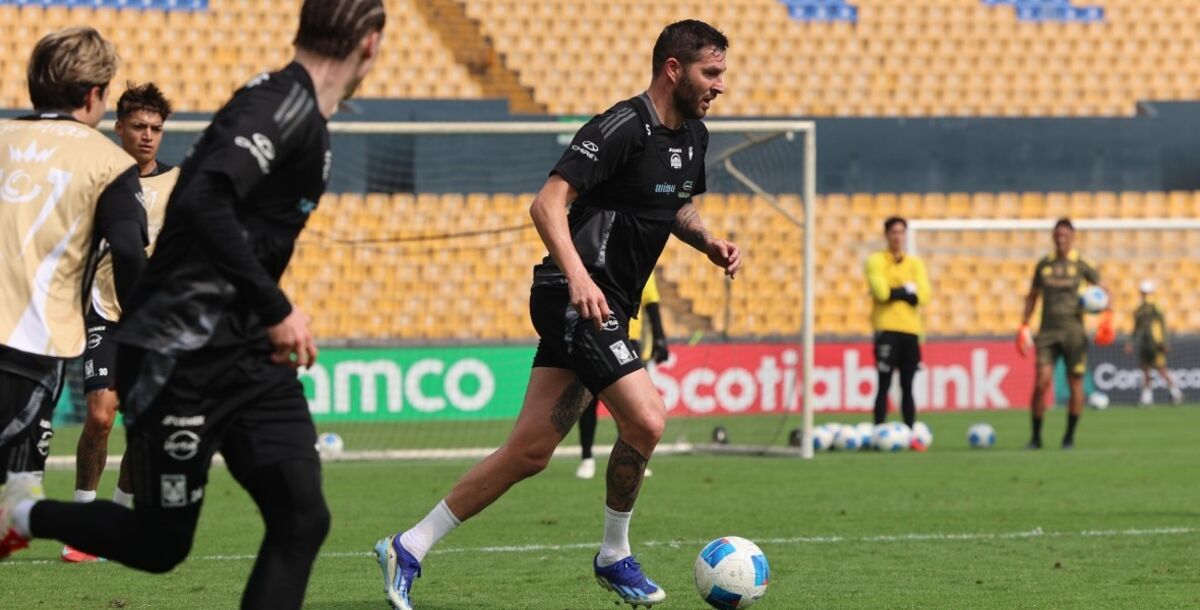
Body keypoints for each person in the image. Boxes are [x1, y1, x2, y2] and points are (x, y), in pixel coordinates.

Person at [0, 3, 385, 609]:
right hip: (183, 351)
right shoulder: (279, 106)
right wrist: (277, 305)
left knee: (302, 518)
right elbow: (205, 199)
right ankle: (24, 512)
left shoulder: (300, 109)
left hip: (246, 351)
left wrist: (262, 314)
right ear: (370, 45)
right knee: (160, 545)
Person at [376, 20, 736, 610]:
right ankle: (614, 555)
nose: (721, 85)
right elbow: (546, 204)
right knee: (647, 420)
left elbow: (674, 205)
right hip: (574, 296)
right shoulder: (621, 126)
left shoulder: (694, 136)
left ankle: (408, 546)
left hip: (605, 302)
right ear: (674, 69)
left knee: (529, 452)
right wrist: (579, 280)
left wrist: (709, 242)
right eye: (711, 72)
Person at [0, 27, 146, 486]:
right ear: (94, 94)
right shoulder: (109, 164)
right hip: (27, 347)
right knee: (13, 504)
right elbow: (127, 252)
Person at [62, 82, 180, 564]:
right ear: (119, 128)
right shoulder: (100, 175)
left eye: (156, 128)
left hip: (158, 323)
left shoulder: (179, 183)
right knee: (98, 416)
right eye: (138, 126)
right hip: (107, 313)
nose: (148, 136)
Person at [1016, 218, 1111, 449]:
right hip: (1047, 332)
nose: (1061, 238)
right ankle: (1036, 437)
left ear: (1072, 237)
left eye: (1065, 235)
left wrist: (1107, 318)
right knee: (1041, 382)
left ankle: (1069, 437)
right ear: (1053, 237)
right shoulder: (1044, 264)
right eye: (1057, 235)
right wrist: (1024, 325)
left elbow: (1104, 291)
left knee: (1075, 383)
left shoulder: (1082, 264)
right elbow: (1033, 295)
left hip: (1074, 333)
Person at [576, 271, 670, 480]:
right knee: (587, 400)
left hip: (630, 339)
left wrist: (660, 337)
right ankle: (587, 457)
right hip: (595, 332)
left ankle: (630, 458)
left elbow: (651, 301)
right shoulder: (599, 255)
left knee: (631, 405)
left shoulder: (642, 259)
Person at [864, 216, 930, 450]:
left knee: (908, 385)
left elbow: (924, 296)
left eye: (901, 232)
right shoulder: (875, 261)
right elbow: (881, 293)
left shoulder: (915, 263)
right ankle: (878, 433)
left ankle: (911, 435)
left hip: (911, 330)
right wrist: (907, 292)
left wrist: (897, 292)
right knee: (883, 384)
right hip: (886, 329)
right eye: (893, 232)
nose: (897, 236)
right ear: (886, 235)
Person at [1127, 280, 1183, 406]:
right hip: (1144, 342)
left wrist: (1164, 341)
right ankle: (1147, 397)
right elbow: (1136, 327)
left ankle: (1176, 393)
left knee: (1161, 368)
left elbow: (1162, 325)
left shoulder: (1155, 306)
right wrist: (1131, 341)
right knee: (1145, 369)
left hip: (1155, 343)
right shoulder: (1139, 308)